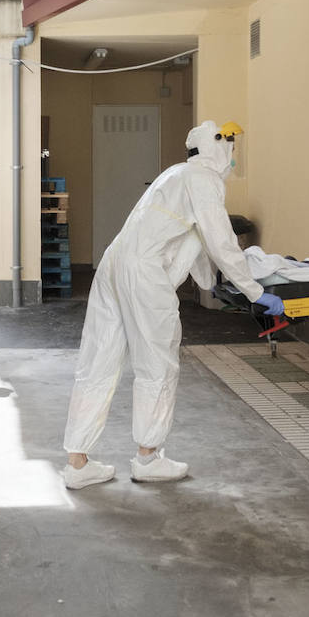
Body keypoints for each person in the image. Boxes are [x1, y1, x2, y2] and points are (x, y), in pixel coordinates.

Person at [62, 120, 284, 489]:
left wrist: (213, 284)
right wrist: (255, 292)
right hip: (144, 274)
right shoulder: (204, 181)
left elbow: (192, 239)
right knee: (157, 366)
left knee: (98, 360)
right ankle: (148, 458)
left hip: (114, 264)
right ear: (219, 148)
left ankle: (77, 463)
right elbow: (220, 239)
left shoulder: (176, 174)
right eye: (231, 147)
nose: (234, 155)